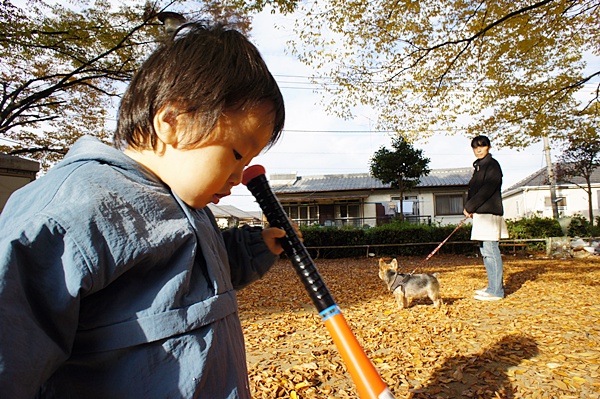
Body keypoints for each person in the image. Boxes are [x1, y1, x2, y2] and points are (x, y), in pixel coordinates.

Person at [0, 22, 290, 398]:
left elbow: (197, 275)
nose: (238, 175)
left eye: (249, 159)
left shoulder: (188, 204)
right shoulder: (70, 213)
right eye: (236, 153)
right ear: (172, 122)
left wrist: (255, 247)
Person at [463, 135, 508, 301]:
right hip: (481, 214)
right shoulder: (479, 167)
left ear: (488, 147)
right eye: (475, 147)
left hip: (490, 213)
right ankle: (491, 287)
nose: (478, 150)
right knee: (485, 251)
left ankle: (497, 291)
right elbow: (473, 191)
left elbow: (487, 190)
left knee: (491, 251)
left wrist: (470, 206)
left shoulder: (492, 165)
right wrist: (470, 207)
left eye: (481, 146)